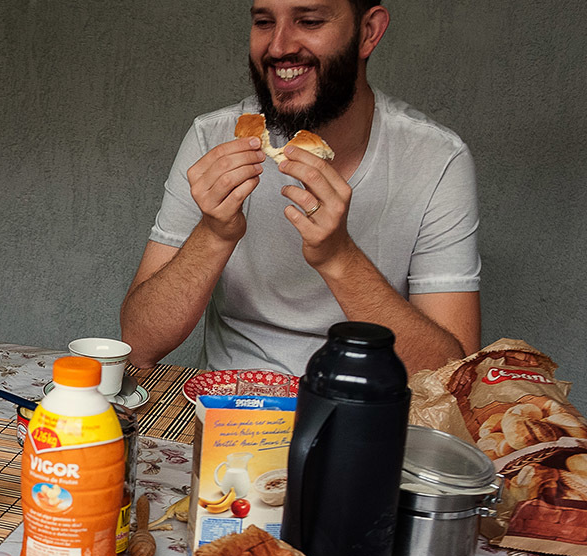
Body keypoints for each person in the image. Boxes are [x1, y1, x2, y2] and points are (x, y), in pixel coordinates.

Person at [120, 0, 481, 376]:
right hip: (231, 409)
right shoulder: (213, 137)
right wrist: (213, 233)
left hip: (366, 407)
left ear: (368, 32)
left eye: (308, 21)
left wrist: (339, 257)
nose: (278, 47)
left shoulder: (437, 158)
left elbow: (455, 378)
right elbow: (139, 345)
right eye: (264, 22)